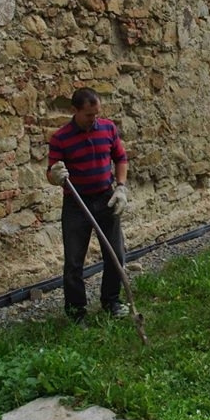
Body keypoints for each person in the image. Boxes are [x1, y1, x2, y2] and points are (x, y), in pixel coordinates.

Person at [46, 88, 130, 325]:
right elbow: (51, 173)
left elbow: (120, 158)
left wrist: (121, 187)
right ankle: (76, 312)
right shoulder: (60, 138)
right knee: (74, 260)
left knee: (115, 253)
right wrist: (55, 176)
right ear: (75, 110)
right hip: (77, 203)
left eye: (97, 114)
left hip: (105, 198)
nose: (94, 119)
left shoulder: (108, 129)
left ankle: (111, 301)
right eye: (89, 115)